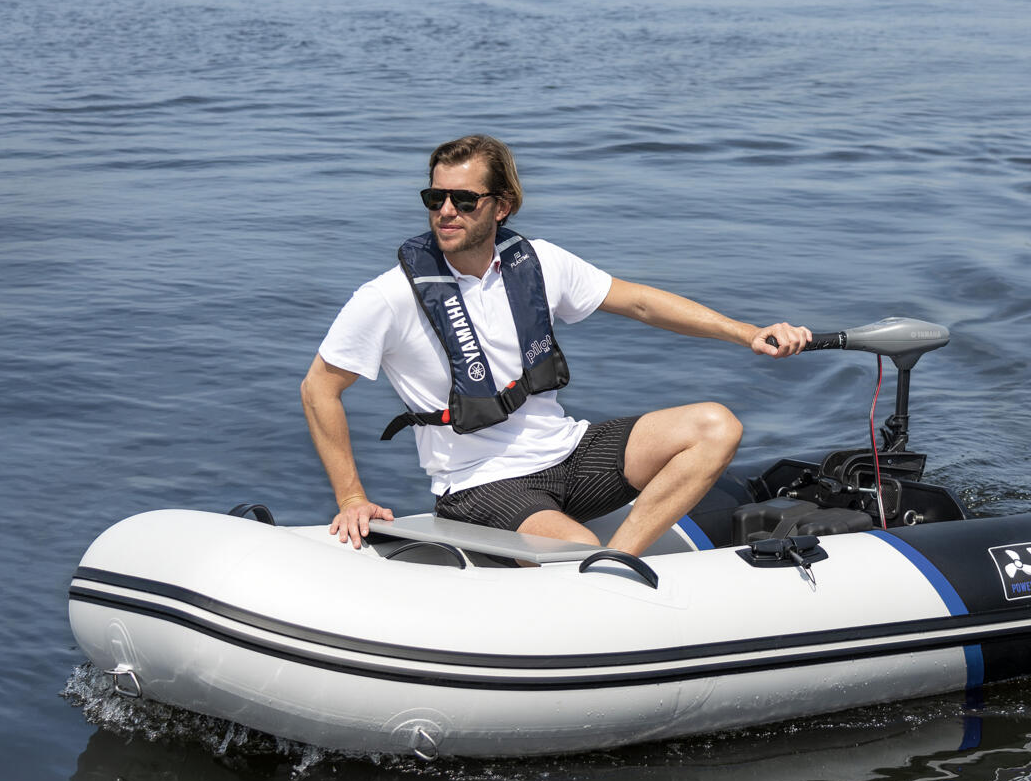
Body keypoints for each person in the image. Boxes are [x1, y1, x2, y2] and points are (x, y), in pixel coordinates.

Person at [302, 134, 811, 556]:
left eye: (464, 200)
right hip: (479, 482)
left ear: (502, 206)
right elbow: (319, 388)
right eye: (435, 199)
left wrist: (746, 332)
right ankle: (594, 566)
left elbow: (639, 303)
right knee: (574, 548)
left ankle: (615, 562)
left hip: (568, 453)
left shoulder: (539, 262)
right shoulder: (389, 296)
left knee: (717, 426)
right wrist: (352, 498)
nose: (447, 212)